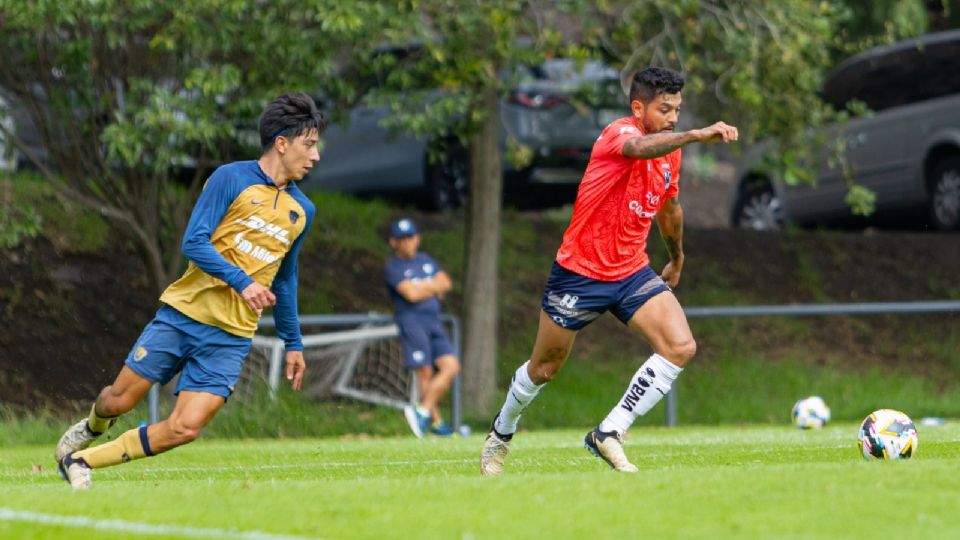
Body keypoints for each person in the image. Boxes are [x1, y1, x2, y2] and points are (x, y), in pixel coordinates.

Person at [54, 92, 326, 488]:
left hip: (231, 336)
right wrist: (243, 281)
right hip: (183, 315)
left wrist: (294, 342)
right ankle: (92, 428)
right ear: (282, 143)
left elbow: (285, 279)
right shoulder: (230, 178)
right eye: (310, 144)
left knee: (185, 427)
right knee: (118, 401)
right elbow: (195, 243)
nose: (316, 156)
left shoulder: (303, 211)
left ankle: (81, 461)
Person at [479, 67, 738, 475]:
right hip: (578, 273)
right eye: (664, 108)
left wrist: (677, 257)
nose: (673, 117)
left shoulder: (672, 151)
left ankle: (609, 432)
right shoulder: (617, 134)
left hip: (631, 271)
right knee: (543, 368)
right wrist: (694, 134)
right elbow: (639, 148)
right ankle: (502, 431)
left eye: (678, 110)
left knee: (680, 346)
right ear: (638, 107)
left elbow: (669, 209)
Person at [384, 217, 461, 437]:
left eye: (411, 238)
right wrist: (431, 286)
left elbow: (445, 283)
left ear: (417, 238)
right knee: (425, 371)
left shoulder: (426, 260)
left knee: (451, 366)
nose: (408, 243)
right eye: (402, 239)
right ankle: (436, 423)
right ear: (393, 242)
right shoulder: (393, 267)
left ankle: (423, 412)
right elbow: (411, 293)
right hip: (412, 321)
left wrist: (423, 287)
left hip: (433, 321)